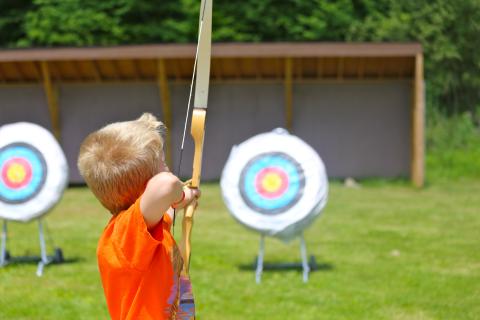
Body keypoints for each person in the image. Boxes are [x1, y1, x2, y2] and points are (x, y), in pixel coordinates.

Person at [77, 113, 199, 319]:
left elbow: (165, 207)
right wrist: (180, 193)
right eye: (162, 163)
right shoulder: (123, 237)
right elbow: (166, 186)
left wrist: (181, 201)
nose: (167, 167)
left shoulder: (145, 229)